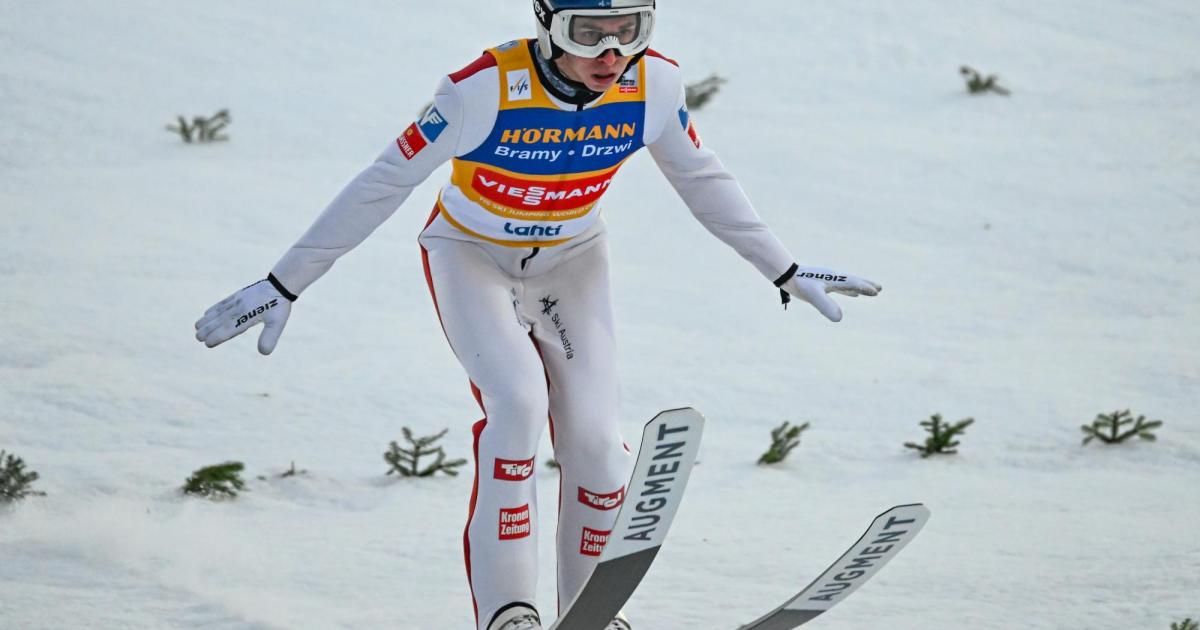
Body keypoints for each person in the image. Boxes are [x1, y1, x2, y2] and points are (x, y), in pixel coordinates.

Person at [193, 1, 881, 628]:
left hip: (573, 261)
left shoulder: (655, 87)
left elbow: (705, 182)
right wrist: (287, 282)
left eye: (631, 31)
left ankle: (591, 613)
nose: (611, 54)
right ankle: (509, 614)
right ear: (547, 26)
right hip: (471, 256)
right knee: (518, 408)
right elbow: (385, 181)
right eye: (588, 33)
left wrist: (783, 267)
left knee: (594, 441)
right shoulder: (480, 89)